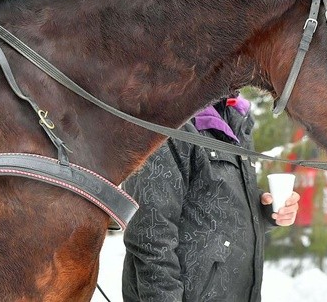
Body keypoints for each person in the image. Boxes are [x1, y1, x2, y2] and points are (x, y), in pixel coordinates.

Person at [122, 94, 300, 302]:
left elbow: (215, 202)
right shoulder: (165, 118)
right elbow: (150, 236)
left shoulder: (235, 117)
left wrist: (267, 210)